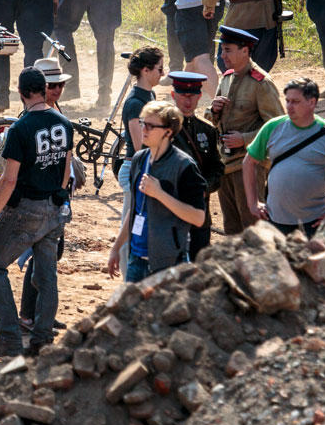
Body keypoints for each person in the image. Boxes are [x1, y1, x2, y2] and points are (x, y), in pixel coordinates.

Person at [0, 68, 72, 357]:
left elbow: (8, 179)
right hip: (55, 207)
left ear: (20, 92)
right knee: (47, 275)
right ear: (44, 89)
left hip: (26, 209)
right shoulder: (64, 123)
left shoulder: (21, 128)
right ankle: (42, 340)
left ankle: (7, 337)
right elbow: (66, 171)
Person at [243, 78, 325, 237]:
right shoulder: (272, 127)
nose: (289, 107)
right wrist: (252, 203)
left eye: (295, 101)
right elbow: (248, 162)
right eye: (287, 101)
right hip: (274, 222)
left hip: (313, 226)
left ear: (312, 102)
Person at [108, 102, 206, 282]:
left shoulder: (185, 166)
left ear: (168, 132)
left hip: (169, 264)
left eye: (150, 126)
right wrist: (116, 248)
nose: (144, 129)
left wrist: (160, 194)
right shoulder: (138, 159)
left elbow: (198, 218)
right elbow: (135, 207)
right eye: (143, 123)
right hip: (136, 260)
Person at [210, 27, 284, 235]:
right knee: (232, 230)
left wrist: (244, 139)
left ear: (245, 51)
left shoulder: (261, 83)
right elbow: (215, 120)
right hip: (225, 166)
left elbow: (278, 126)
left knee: (253, 230)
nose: (222, 56)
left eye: (227, 50)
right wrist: (213, 110)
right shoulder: (226, 78)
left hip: (249, 166)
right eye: (222, 50)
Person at [17, 57, 72, 334]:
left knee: (50, 259)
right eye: (53, 86)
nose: (58, 90)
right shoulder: (29, 120)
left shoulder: (54, 113)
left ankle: (42, 314)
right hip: (39, 202)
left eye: (61, 85)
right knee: (40, 261)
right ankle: (30, 316)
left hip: (56, 199)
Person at [168, 71, 223, 259]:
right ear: (173, 95)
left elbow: (217, 169)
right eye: (183, 95)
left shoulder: (207, 130)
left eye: (192, 96)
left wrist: (204, 188)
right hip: (170, 216)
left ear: (200, 96)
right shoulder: (162, 128)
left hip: (200, 214)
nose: (188, 101)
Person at [118, 47, 164, 193]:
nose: (163, 73)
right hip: (135, 169)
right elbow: (140, 148)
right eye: (160, 69)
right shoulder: (135, 103)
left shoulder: (150, 94)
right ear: (146, 70)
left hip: (145, 167)